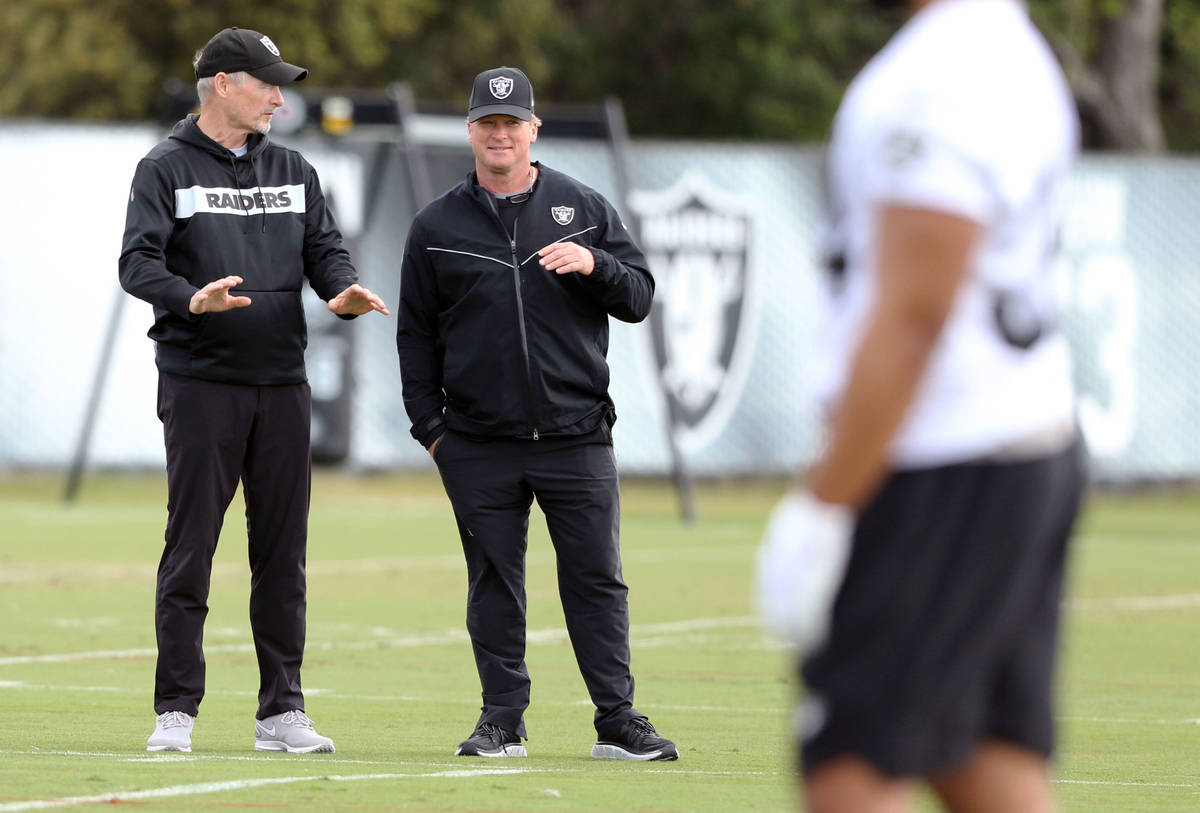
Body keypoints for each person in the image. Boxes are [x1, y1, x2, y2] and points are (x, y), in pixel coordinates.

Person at [755, 1, 1086, 810]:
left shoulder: (937, 78)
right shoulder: (998, 44)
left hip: (946, 458)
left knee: (851, 762)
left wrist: (825, 506)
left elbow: (914, 316)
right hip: (1016, 440)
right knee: (981, 757)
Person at [119, 26, 389, 755]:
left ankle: (282, 712)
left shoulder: (296, 168)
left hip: (282, 382)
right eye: (267, 82)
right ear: (224, 84)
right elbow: (137, 265)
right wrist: (188, 299)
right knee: (191, 545)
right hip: (201, 384)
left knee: (282, 552)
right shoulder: (163, 167)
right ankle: (176, 708)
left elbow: (324, 250)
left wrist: (341, 290)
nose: (279, 96)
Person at [396, 66, 678, 761]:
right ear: (471, 132)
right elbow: (414, 334)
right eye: (487, 124)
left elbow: (640, 295)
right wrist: (431, 430)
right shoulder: (435, 225)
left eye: (511, 122)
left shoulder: (582, 207)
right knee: (494, 580)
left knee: (596, 577)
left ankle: (617, 718)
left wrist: (593, 263)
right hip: (476, 440)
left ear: (533, 130)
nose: (500, 134)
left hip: (575, 433)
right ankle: (502, 719)